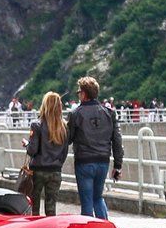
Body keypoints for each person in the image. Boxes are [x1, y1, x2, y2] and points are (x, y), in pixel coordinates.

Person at [65, 76, 122, 220]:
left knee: (87, 202)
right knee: (98, 197)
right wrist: (118, 165)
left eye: (79, 92)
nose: (78, 95)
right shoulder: (109, 113)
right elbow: (117, 140)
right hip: (103, 161)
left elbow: (68, 139)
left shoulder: (75, 114)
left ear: (84, 94)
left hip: (84, 162)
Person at [23, 91, 69, 216]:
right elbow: (65, 151)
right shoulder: (64, 127)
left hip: (37, 170)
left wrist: (27, 144)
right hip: (55, 170)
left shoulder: (37, 125)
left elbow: (32, 151)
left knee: (34, 206)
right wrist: (58, 164)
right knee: (51, 207)